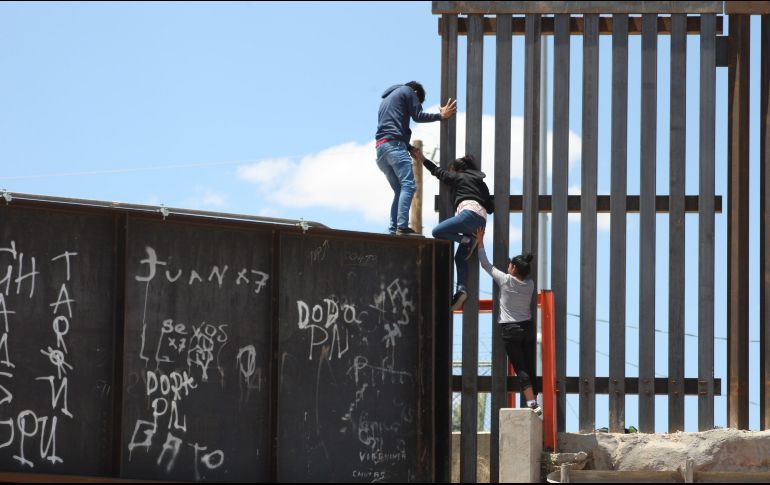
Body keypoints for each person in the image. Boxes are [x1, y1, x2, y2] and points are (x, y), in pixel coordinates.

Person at [410, 149, 493, 310]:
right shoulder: (480, 182)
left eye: (451, 172)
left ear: (456, 170)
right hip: (480, 223)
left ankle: (468, 240)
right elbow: (490, 208)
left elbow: (437, 172)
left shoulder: (458, 176)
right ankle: (461, 290)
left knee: (437, 232)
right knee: (460, 258)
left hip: (468, 215)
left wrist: (422, 158)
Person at [474, 227, 541, 416]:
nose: (508, 266)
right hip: (527, 327)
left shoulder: (505, 280)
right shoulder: (530, 284)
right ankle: (534, 398)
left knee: (520, 367)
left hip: (510, 329)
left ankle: (532, 403)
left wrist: (480, 241)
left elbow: (485, 264)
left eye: (510, 265)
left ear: (513, 268)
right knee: (529, 364)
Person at [375, 81, 456, 235]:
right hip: (395, 147)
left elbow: (391, 127)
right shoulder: (408, 91)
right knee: (409, 186)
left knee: (400, 189)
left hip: (381, 149)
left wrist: (409, 147)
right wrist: (441, 116)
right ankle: (402, 227)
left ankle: (394, 229)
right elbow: (418, 116)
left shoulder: (386, 100)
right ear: (416, 94)